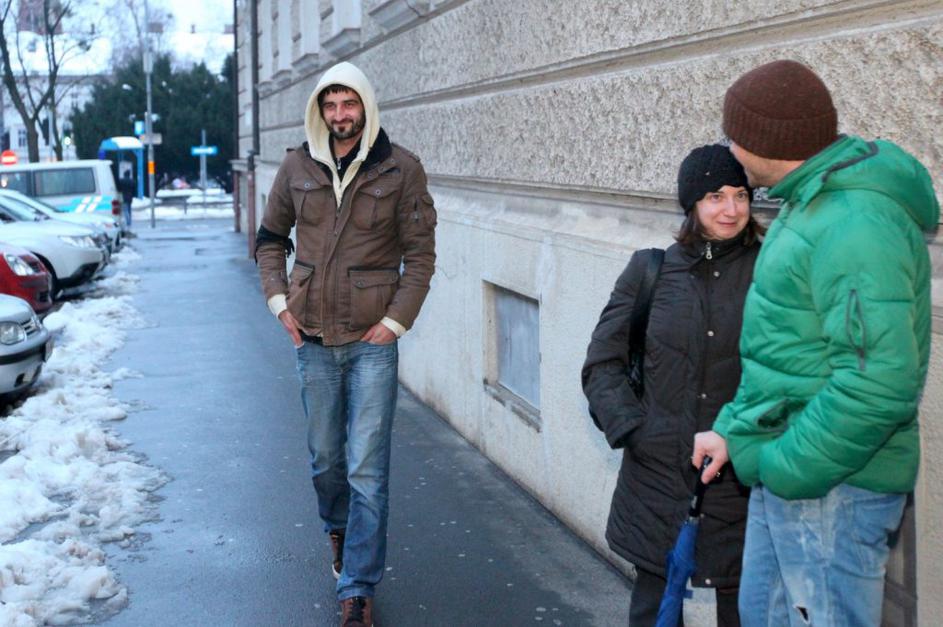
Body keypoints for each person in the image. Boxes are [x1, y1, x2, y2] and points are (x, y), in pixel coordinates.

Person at [693, 60, 939, 626]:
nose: (731, 146)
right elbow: (789, 348)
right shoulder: (811, 202)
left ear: (766, 142)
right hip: (803, 472)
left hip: (831, 487)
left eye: (735, 134)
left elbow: (878, 384)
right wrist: (736, 430)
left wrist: (786, 467)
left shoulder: (853, 222)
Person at [254, 62, 437, 627]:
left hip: (372, 342)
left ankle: (357, 588)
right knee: (326, 460)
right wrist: (278, 301)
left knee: (366, 468)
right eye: (330, 104)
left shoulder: (401, 168)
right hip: (311, 336)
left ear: (366, 107)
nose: (340, 114)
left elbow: (420, 257)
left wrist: (396, 322)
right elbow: (269, 239)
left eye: (348, 103)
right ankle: (338, 527)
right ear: (320, 110)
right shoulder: (296, 166)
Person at [583, 144, 763, 626]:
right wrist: (637, 431)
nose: (731, 209)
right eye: (715, 197)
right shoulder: (652, 271)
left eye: (741, 195)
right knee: (654, 610)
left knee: (746, 608)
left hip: (740, 478)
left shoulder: (771, 271)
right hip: (657, 478)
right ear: (691, 204)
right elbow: (602, 364)